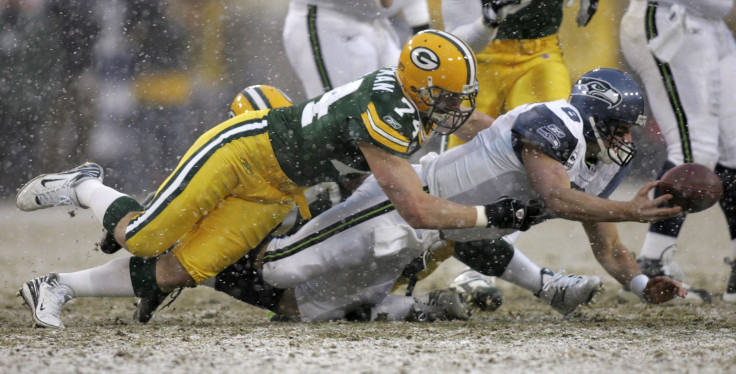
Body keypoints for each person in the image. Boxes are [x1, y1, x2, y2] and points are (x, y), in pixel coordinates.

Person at [15, 29, 543, 329]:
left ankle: (55, 285)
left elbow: (472, 121)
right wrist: (489, 215)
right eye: (446, 97)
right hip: (245, 154)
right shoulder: (387, 110)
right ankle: (85, 183)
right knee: (147, 237)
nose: (454, 109)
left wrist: (519, 135)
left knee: (184, 269)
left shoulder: (409, 99)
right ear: (417, 87)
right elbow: (416, 211)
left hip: (278, 188)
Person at [436, 0, 602, 296]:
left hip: (540, 50)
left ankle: (480, 268)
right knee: (452, 179)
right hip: (478, 54)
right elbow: (454, 31)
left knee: (553, 157)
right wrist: (487, 18)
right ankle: (415, 265)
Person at [618, 0, 736, 303]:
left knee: (733, 147)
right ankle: (651, 264)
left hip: (711, 24)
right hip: (671, 17)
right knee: (694, 149)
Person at [282, 0, 430, 99]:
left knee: (404, 112)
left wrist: (422, 31)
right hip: (328, 22)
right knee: (343, 123)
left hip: (375, 24)